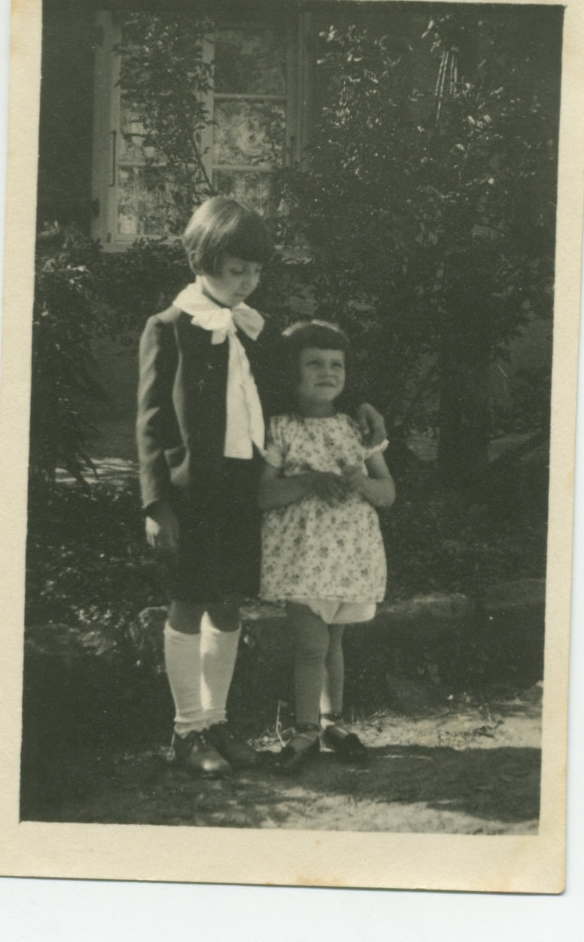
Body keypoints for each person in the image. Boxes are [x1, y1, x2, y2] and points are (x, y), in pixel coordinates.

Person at [137, 197, 385, 778]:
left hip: (242, 490)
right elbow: (150, 424)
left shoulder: (253, 329)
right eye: (236, 270)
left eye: (255, 271)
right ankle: (186, 729)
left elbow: (308, 375)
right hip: (192, 492)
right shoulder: (170, 328)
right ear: (203, 261)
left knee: (228, 606)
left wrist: (361, 400)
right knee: (189, 601)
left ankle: (217, 722)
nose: (247, 282)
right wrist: (155, 503)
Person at [258, 321, 395, 773]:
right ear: (291, 373)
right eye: (313, 363)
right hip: (299, 557)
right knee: (312, 645)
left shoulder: (357, 430)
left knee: (334, 643)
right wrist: (311, 481)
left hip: (350, 557)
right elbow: (263, 495)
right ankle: (304, 731)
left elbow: (388, 492)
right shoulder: (281, 429)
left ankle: (332, 722)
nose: (327, 372)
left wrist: (363, 481)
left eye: (336, 364)